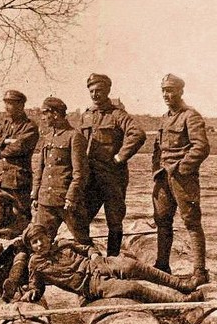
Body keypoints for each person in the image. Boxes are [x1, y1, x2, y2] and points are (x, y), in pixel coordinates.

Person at [20, 223, 202, 304]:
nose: (39, 244)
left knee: (133, 265)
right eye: (34, 242)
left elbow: (86, 248)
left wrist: (94, 256)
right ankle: (182, 301)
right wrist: (33, 292)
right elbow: (35, 285)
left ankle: (182, 285)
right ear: (30, 246)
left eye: (41, 239)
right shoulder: (35, 264)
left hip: (99, 265)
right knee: (131, 288)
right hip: (91, 285)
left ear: (47, 237)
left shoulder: (62, 243)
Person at [152, 74, 210, 284]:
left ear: (180, 91)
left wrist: (181, 169)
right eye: (164, 91)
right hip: (163, 179)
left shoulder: (190, 116)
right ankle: (162, 265)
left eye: (171, 90)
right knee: (162, 221)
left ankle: (200, 272)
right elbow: (157, 150)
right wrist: (156, 172)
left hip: (183, 179)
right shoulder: (164, 118)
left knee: (192, 222)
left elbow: (201, 147)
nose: (167, 95)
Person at [80, 74, 146, 255]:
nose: (95, 94)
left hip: (112, 177)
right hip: (90, 177)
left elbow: (138, 134)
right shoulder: (86, 116)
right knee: (81, 218)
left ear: (107, 91)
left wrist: (120, 157)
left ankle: (114, 260)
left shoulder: (117, 115)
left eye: (99, 90)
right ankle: (87, 258)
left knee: (114, 220)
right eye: (91, 91)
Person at [31, 97, 90, 244]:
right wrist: (36, 194)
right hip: (46, 200)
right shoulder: (47, 137)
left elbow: (80, 173)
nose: (43, 118)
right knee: (41, 242)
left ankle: (95, 266)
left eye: (45, 113)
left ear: (56, 113)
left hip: (67, 201)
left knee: (82, 242)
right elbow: (41, 170)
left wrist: (71, 197)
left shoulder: (74, 137)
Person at [0, 89, 39, 222]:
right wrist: (5, 141)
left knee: (20, 216)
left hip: (17, 181)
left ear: (21, 105)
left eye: (10, 103)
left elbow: (19, 148)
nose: (6, 107)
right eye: (6, 103)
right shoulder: (5, 124)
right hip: (0, 179)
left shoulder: (29, 126)